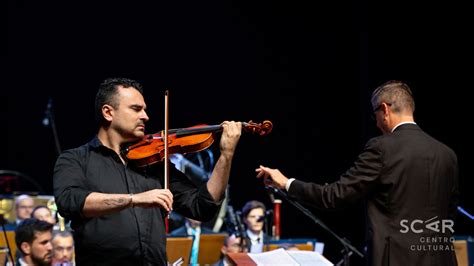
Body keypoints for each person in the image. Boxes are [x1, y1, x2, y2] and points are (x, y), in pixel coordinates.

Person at [256, 80, 459, 266]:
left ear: (385, 109)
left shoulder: (381, 148)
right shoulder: (447, 154)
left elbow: (335, 196)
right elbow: (449, 213)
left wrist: (286, 183)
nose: (377, 123)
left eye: (375, 115)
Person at [53, 77, 242, 265]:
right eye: (136, 109)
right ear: (108, 112)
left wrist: (226, 155)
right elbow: (70, 201)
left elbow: (202, 207)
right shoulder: (75, 159)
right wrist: (134, 199)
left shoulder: (154, 163)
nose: (145, 116)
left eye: (144, 109)